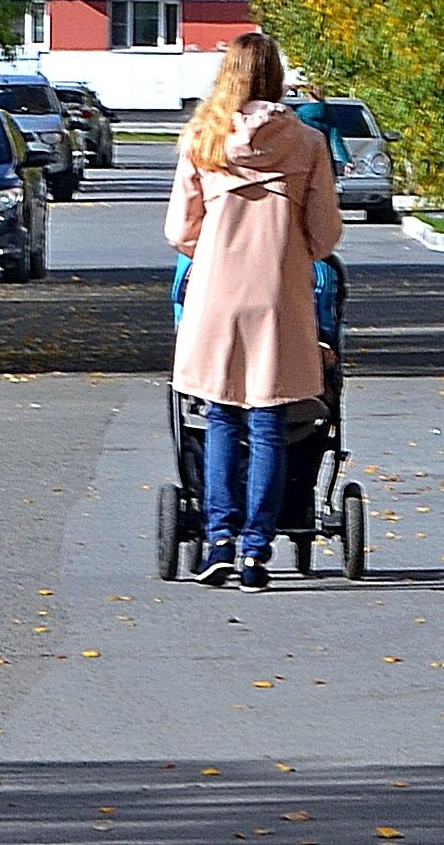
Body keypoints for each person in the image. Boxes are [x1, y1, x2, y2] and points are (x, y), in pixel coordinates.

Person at [164, 29, 341, 586]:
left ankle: (217, 538)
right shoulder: (307, 144)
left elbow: (179, 231)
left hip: (215, 296)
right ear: (276, 78)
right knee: (268, 419)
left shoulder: (203, 140)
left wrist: (215, 250)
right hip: (278, 297)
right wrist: (288, 251)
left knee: (219, 414)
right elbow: (325, 234)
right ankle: (255, 550)